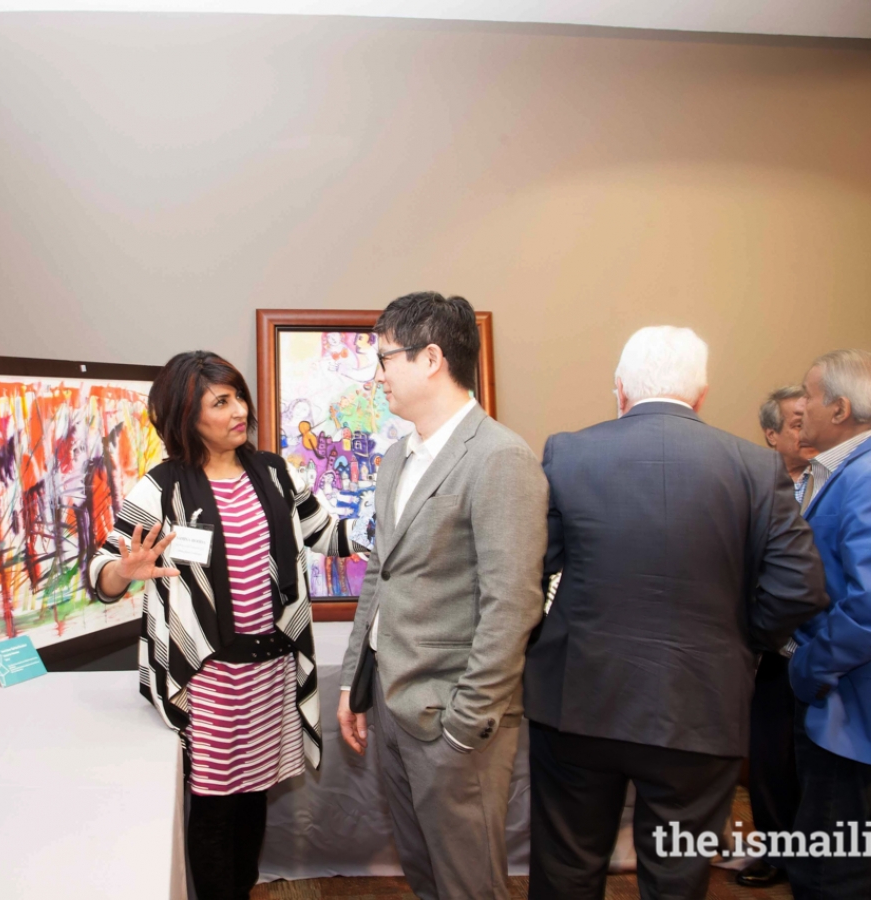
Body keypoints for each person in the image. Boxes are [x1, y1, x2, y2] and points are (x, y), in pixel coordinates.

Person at [524, 326, 826, 900]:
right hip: (701, 701)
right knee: (677, 877)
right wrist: (741, 642)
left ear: (619, 389)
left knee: (566, 867)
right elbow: (799, 588)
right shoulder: (754, 468)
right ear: (702, 394)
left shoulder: (569, 451)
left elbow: (528, 569)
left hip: (580, 697)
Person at [89, 350, 358, 900]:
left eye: (238, 396)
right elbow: (100, 575)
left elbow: (327, 535)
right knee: (214, 806)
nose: (240, 409)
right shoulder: (162, 488)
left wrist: (403, 533)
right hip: (210, 679)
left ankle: (243, 889)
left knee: (254, 794)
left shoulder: (274, 473)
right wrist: (124, 569)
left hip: (271, 671)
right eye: (222, 401)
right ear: (188, 417)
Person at [337, 292, 549, 900]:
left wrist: (465, 724)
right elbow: (381, 576)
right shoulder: (397, 458)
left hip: (455, 723)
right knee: (428, 878)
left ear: (431, 358)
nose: (378, 376)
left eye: (386, 359)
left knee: (470, 886)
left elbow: (513, 605)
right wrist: (355, 682)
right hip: (396, 708)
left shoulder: (499, 457)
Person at [787, 348, 871, 900]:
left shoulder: (863, 478)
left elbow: (868, 604)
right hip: (841, 701)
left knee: (833, 869)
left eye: (809, 395)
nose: (801, 405)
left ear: (839, 409)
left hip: (849, 706)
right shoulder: (841, 472)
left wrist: (809, 668)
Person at [736, 385, 817, 889]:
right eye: (794, 422)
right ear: (771, 434)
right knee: (768, 759)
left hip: (822, 649)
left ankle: (819, 857)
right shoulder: (751, 487)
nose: (805, 430)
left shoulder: (833, 481)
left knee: (817, 762)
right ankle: (779, 853)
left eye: (808, 418)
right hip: (768, 649)